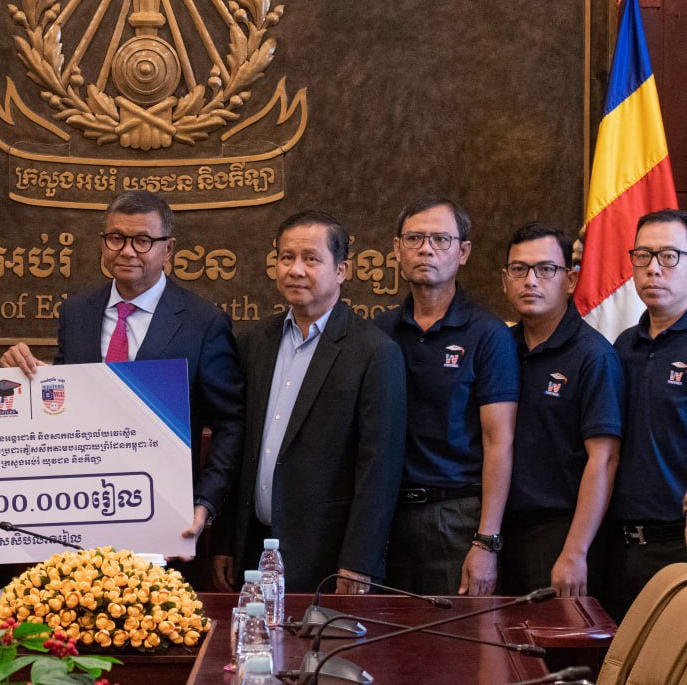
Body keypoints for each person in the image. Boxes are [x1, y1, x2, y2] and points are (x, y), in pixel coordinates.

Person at [0, 190, 244, 551]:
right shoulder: (76, 313)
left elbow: (229, 424)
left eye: (142, 240)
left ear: (168, 249)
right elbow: (66, 401)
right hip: (79, 510)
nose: (127, 251)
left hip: (164, 516)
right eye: (116, 238)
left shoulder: (203, 322)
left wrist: (204, 503)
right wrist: (28, 375)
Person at [213, 210, 406, 593]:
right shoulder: (254, 343)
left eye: (311, 259)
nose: (295, 270)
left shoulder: (374, 352)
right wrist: (225, 542)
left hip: (327, 557)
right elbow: (239, 447)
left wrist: (359, 561)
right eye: (286, 257)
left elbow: (379, 468)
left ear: (342, 270)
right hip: (253, 547)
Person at [375, 197, 518, 596]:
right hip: (387, 515)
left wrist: (486, 540)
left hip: (457, 517)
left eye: (440, 239)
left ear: (463, 251)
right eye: (414, 238)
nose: (426, 249)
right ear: (397, 248)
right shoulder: (380, 332)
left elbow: (499, 440)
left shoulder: (488, 334)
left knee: (459, 632)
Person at [498, 222, 621, 598]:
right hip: (500, 532)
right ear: (505, 280)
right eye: (519, 269)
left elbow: (604, 459)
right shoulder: (499, 347)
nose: (530, 280)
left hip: (560, 532)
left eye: (545, 269)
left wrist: (575, 551)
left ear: (571, 280)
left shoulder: (593, 356)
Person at [606, 208, 687, 618]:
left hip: (677, 546)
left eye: (669, 256)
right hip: (617, 547)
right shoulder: (622, 346)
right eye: (643, 256)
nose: (653, 268)